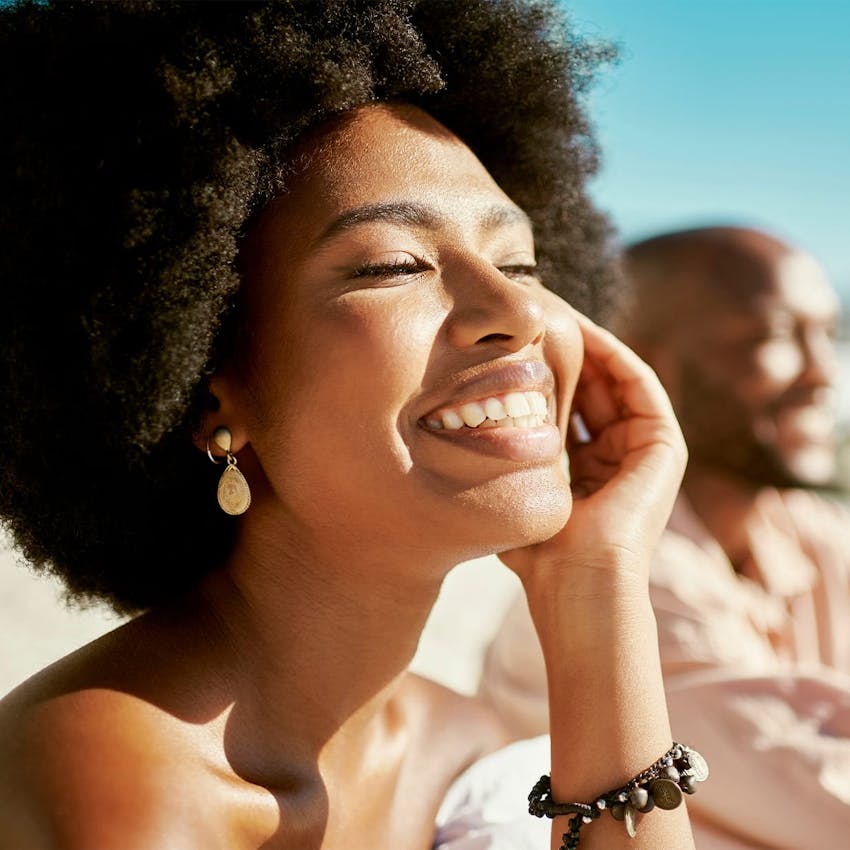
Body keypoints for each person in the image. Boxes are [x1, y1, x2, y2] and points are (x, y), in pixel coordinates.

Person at [0, 2, 699, 848]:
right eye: (393, 265)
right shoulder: (107, 765)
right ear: (210, 394)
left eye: (519, 260)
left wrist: (597, 579)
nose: (517, 309)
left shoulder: (466, 746)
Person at [480, 225, 850, 850]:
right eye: (774, 337)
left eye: (830, 336)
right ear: (641, 367)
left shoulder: (807, 533)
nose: (825, 375)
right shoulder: (619, 577)